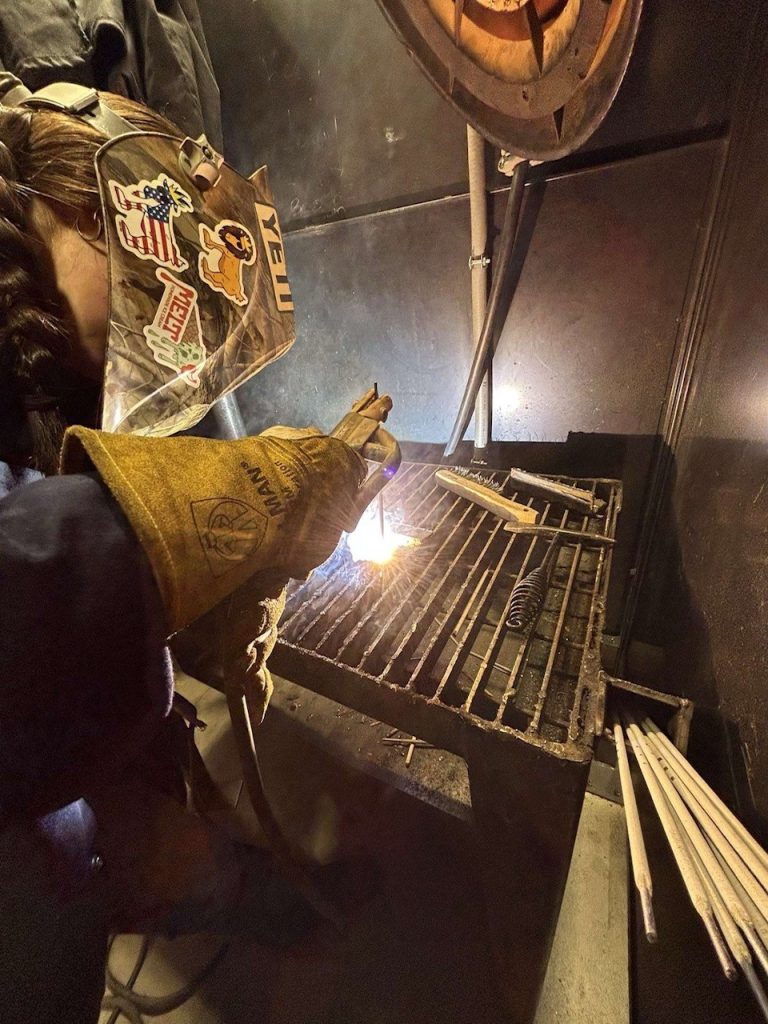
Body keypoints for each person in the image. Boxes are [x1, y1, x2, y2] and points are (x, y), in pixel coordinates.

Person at [0, 88, 380, 1022]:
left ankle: (262, 901)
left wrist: (175, 612)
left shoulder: (27, 358)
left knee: (163, 849)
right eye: (142, 280)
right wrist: (178, 537)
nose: (147, 333)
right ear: (84, 212)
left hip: (37, 851)